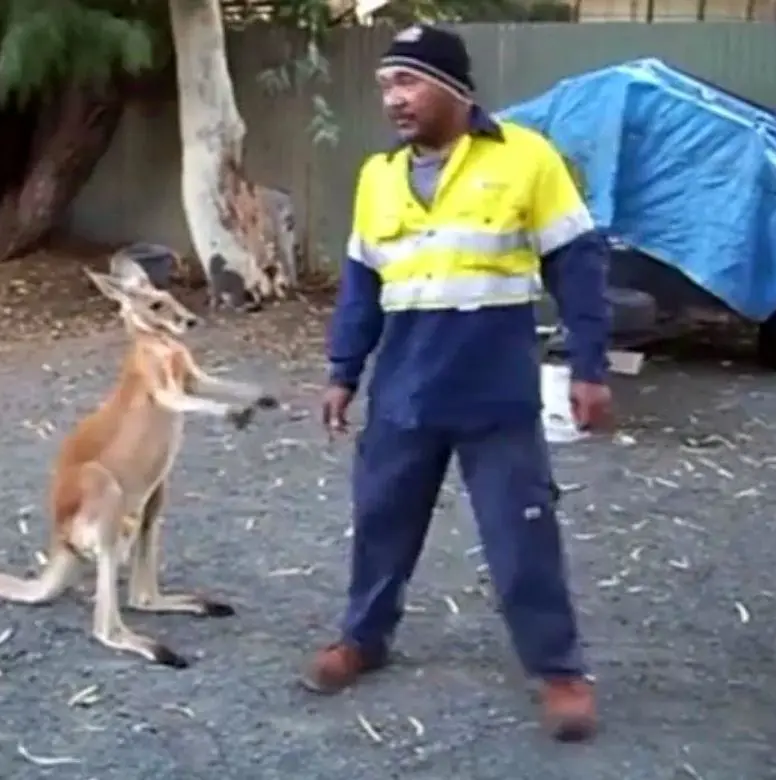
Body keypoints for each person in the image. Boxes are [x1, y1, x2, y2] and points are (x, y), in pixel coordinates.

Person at [302, 25, 613, 743]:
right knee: (380, 525)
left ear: (455, 88)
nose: (393, 100)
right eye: (385, 86)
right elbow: (361, 286)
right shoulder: (377, 177)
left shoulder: (526, 158)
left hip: (494, 396)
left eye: (407, 82)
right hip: (404, 394)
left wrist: (590, 366)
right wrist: (343, 371)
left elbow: (578, 263)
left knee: (522, 535)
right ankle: (364, 638)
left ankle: (559, 670)